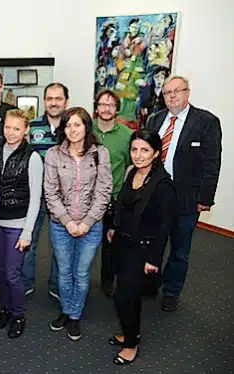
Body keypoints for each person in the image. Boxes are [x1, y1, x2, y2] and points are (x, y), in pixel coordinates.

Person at [143, 75, 222, 311]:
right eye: (168, 92)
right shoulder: (154, 120)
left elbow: (212, 163)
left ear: (188, 93)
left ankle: (171, 290)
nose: (173, 96)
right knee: (151, 243)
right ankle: (150, 284)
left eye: (178, 90)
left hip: (186, 199)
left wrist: (205, 198)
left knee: (180, 248)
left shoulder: (206, 122)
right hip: (155, 196)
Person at [106, 128, 176, 365]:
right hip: (123, 244)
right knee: (125, 294)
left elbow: (164, 226)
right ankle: (128, 331)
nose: (138, 155)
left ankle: (131, 344)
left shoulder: (163, 185)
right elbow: (122, 206)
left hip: (143, 249)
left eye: (145, 150)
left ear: (156, 153)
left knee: (124, 296)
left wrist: (154, 259)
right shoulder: (130, 173)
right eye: (134, 149)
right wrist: (114, 227)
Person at [44, 107, 112, 341]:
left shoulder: (100, 153)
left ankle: (74, 315)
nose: (72, 130)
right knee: (64, 272)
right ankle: (66, 310)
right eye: (68, 125)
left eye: (77, 124)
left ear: (86, 127)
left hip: (90, 226)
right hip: (60, 225)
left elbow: (104, 192)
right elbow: (50, 192)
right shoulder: (53, 154)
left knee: (81, 273)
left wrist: (87, 222)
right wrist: (67, 222)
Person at [0, 109, 43, 339]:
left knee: (12, 274)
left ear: (26, 130)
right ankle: (5, 309)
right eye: (8, 127)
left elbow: (36, 197)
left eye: (17, 128)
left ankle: (18, 314)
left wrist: (27, 232)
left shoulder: (33, 158)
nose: (11, 132)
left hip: (18, 225)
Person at [24, 82, 70, 300]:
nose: (53, 103)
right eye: (49, 98)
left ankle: (56, 285)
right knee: (29, 242)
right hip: (36, 196)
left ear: (66, 101)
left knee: (60, 246)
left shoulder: (73, 127)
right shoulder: (32, 127)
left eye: (58, 98)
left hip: (65, 199)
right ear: (44, 101)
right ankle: (25, 283)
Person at [93, 89, 133, 297]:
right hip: (86, 198)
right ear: (96, 107)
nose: (106, 108)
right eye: (102, 104)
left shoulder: (127, 135)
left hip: (114, 197)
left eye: (110, 105)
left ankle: (108, 279)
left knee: (111, 243)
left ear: (116, 109)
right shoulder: (85, 129)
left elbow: (129, 165)